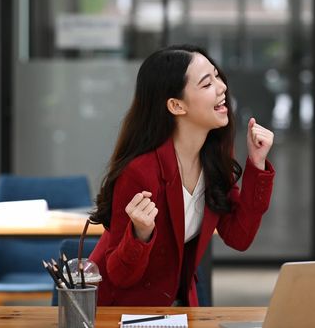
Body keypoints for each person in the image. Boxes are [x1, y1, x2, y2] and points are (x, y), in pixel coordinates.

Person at [88, 45, 275, 306]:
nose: (222, 87)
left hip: (173, 311)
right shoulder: (140, 173)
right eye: (207, 83)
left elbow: (239, 237)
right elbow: (119, 275)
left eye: (217, 76)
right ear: (176, 105)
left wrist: (257, 164)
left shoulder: (213, 161)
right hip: (119, 309)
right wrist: (140, 234)